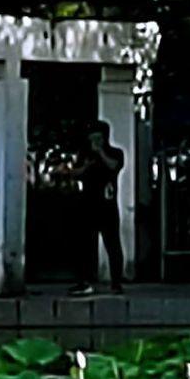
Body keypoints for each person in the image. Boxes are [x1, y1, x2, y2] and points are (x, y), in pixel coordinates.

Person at [73, 121, 126, 295]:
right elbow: (76, 173)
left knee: (112, 244)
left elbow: (114, 166)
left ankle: (116, 282)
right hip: (88, 204)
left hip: (107, 206)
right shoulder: (84, 154)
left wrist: (101, 153)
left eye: (98, 137)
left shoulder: (115, 153)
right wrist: (87, 165)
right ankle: (84, 280)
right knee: (84, 245)